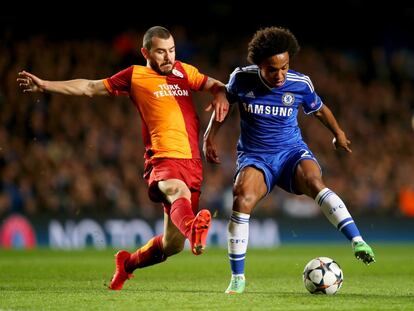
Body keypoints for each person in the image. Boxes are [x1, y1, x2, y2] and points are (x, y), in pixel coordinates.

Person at [18, 26, 230, 290]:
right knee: (177, 190)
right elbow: (89, 87)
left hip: (193, 163)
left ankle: (127, 264)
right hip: (162, 158)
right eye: (161, 52)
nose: (168, 57)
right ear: (146, 52)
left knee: (172, 246)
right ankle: (194, 229)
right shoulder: (135, 76)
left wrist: (220, 93)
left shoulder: (184, 71)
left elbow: (216, 85)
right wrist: (46, 84)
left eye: (172, 50)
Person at [203, 26, 375, 295]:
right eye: (273, 69)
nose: (280, 75)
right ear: (259, 65)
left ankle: (357, 241)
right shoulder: (241, 79)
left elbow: (320, 110)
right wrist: (209, 136)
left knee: (314, 181)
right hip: (256, 156)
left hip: (291, 152)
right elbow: (224, 106)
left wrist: (339, 133)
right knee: (241, 198)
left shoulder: (300, 84)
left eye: (284, 67)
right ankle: (238, 278)